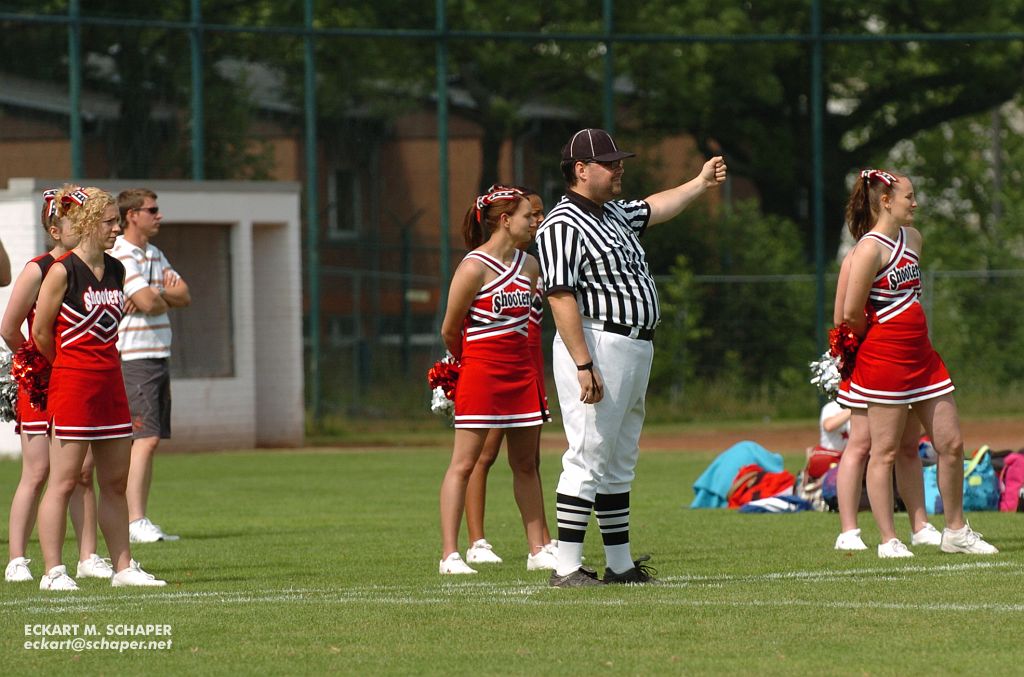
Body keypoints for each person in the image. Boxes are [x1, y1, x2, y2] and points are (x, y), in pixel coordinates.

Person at [536, 128, 726, 587]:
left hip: (633, 344)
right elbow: (560, 295)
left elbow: (657, 206)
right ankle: (566, 567)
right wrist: (583, 363)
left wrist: (700, 183)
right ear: (580, 170)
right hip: (598, 341)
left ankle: (619, 565)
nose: (619, 167)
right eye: (609, 162)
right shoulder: (562, 223)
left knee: (619, 458)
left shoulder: (614, 213)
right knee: (588, 454)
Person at [838, 168, 996, 556]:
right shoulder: (868, 250)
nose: (916, 203)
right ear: (886, 201)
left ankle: (955, 530)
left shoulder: (913, 239)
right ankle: (888, 539)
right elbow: (850, 313)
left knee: (951, 443)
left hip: (923, 357)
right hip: (885, 361)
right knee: (884, 451)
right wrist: (879, 341)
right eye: (909, 196)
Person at [32, 186, 166, 590]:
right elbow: (41, 332)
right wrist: (69, 367)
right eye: (109, 222)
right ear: (89, 222)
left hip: (111, 385)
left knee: (114, 482)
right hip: (73, 387)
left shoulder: (116, 270)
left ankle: (123, 568)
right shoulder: (61, 271)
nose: (116, 229)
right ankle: (53, 571)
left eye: (116, 222)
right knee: (64, 481)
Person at [1, 186, 111, 583]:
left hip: (73, 380)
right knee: (38, 472)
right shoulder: (41, 268)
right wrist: (36, 366)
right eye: (73, 222)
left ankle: (88, 555)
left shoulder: (87, 267)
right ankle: (17, 558)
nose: (83, 228)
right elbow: (10, 328)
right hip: (42, 379)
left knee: (82, 470)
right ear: (54, 229)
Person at [438, 186, 550, 575]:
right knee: (464, 463)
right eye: (527, 216)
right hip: (482, 374)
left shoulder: (530, 266)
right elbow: (450, 329)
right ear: (505, 220)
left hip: (521, 375)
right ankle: (450, 555)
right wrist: (470, 364)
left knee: (526, 463)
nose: (534, 222)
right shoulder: (473, 268)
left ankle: (539, 549)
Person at [832, 248, 941, 554]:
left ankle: (920, 526)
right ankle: (848, 530)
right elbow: (841, 317)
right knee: (861, 443)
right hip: (870, 361)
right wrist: (869, 342)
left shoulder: (907, 246)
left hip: (904, 364)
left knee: (908, 445)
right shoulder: (858, 255)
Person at [111, 189, 191, 543]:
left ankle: (137, 518)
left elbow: (184, 295)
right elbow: (146, 301)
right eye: (152, 210)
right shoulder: (121, 254)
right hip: (135, 357)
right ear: (132, 215)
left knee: (149, 440)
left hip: (158, 353)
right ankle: (134, 520)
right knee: (145, 438)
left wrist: (154, 293)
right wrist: (156, 293)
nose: (159, 216)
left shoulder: (155, 254)